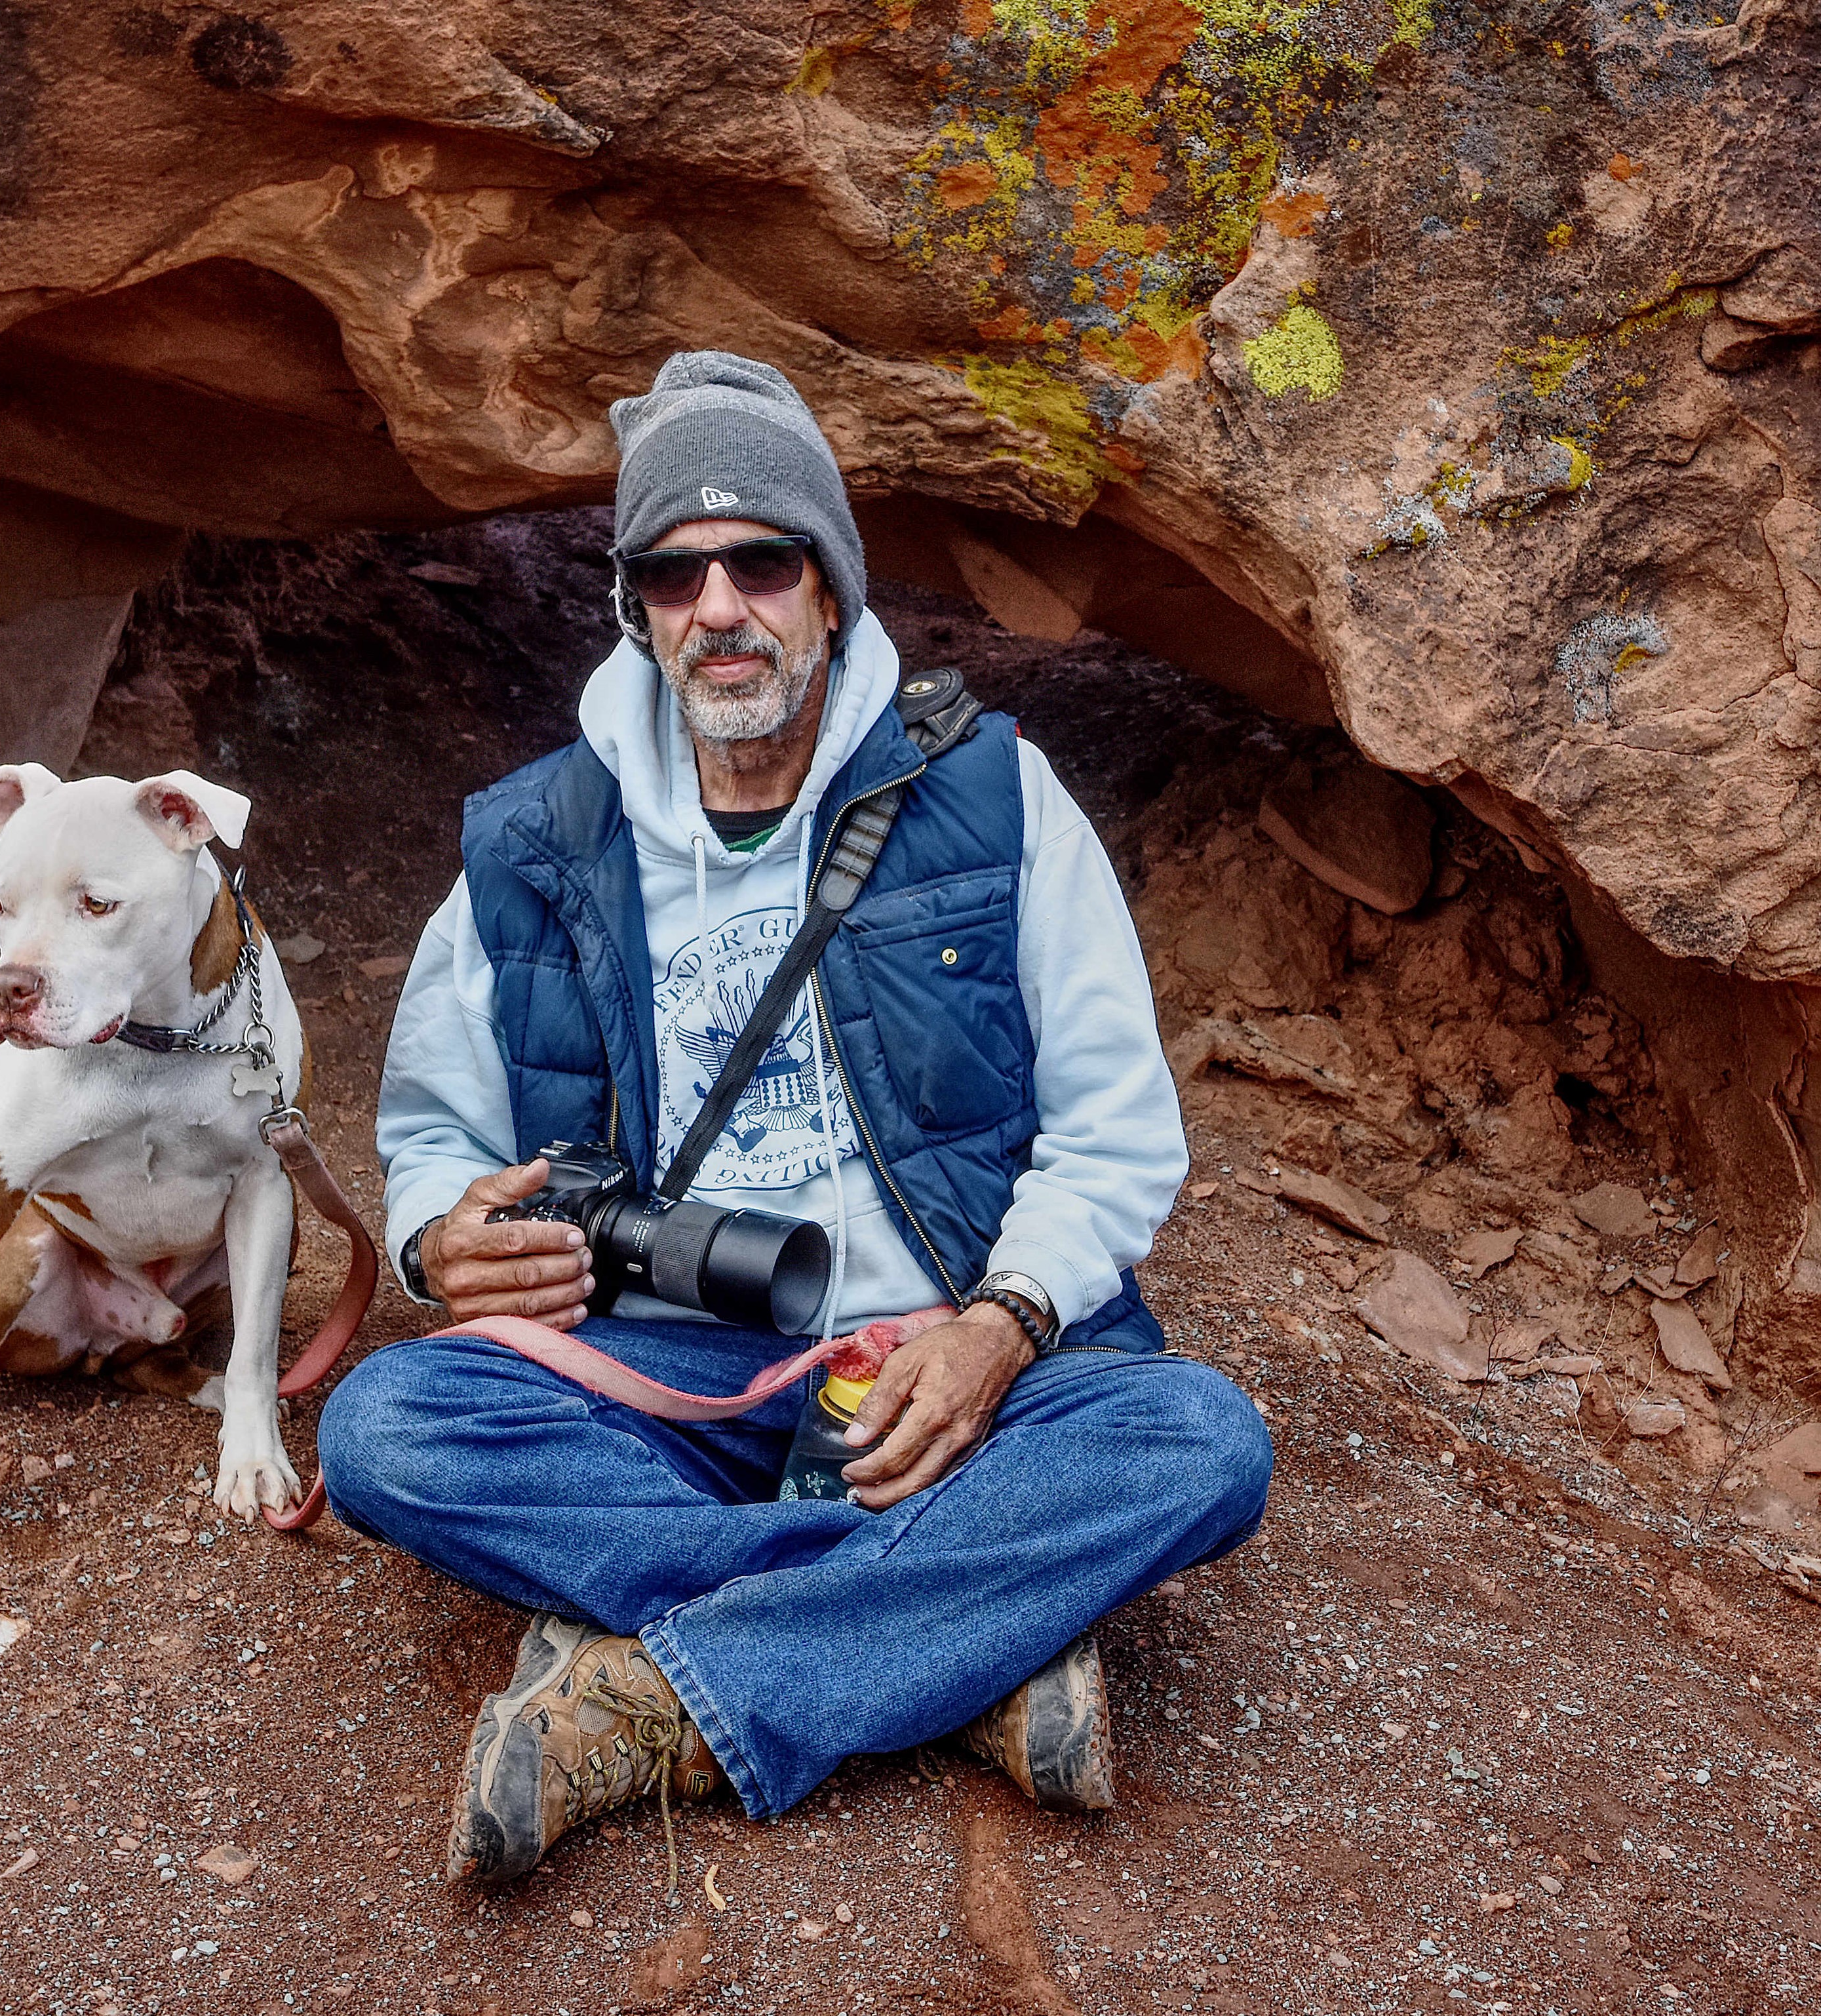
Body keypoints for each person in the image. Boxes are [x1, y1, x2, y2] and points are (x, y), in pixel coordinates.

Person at [319, 351, 1271, 1887]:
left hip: (941, 1353)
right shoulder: (532, 843)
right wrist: (443, 1242)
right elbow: (438, 1131)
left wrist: (1004, 1327)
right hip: (674, 1353)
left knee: (1197, 1441)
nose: (720, 607)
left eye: (762, 562)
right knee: (388, 1428)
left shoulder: (996, 800)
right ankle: (957, 1651)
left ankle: (660, 1696)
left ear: (830, 589)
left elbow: (1113, 1132)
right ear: (636, 608)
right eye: (674, 575)